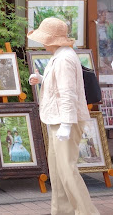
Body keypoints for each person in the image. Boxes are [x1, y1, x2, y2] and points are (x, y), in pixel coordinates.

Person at [28, 17, 99, 214]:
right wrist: (41, 79)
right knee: (58, 171)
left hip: (64, 120)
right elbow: (62, 87)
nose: (41, 43)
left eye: (44, 39)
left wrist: (67, 124)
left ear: (51, 40)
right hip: (59, 119)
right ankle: (62, 211)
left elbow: (68, 93)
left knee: (67, 171)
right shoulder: (61, 55)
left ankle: (87, 212)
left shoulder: (64, 58)